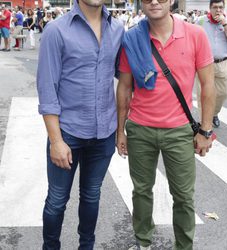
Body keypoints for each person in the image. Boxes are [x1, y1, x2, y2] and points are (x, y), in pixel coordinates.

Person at [116, 0, 216, 249]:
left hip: (180, 131)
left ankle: (184, 246)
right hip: (140, 128)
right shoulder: (133, 38)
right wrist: (121, 131)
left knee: (183, 196)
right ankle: (143, 242)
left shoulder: (195, 35)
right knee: (141, 192)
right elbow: (125, 87)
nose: (154, 1)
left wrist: (205, 130)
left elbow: (208, 86)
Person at [36, 0, 124, 248]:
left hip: (104, 132)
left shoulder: (117, 29)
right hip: (68, 133)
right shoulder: (56, 30)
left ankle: (87, 245)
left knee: (91, 195)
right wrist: (56, 141)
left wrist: (121, 129)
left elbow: (125, 78)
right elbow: (47, 88)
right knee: (56, 200)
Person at [196, 0, 227, 128]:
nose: (218, 10)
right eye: (215, 7)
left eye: (221, 7)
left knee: (224, 92)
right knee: (202, 94)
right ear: (210, 8)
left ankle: (213, 113)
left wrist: (224, 24)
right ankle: (204, 121)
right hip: (204, 63)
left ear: (224, 8)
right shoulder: (201, 20)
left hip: (222, 63)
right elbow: (194, 37)